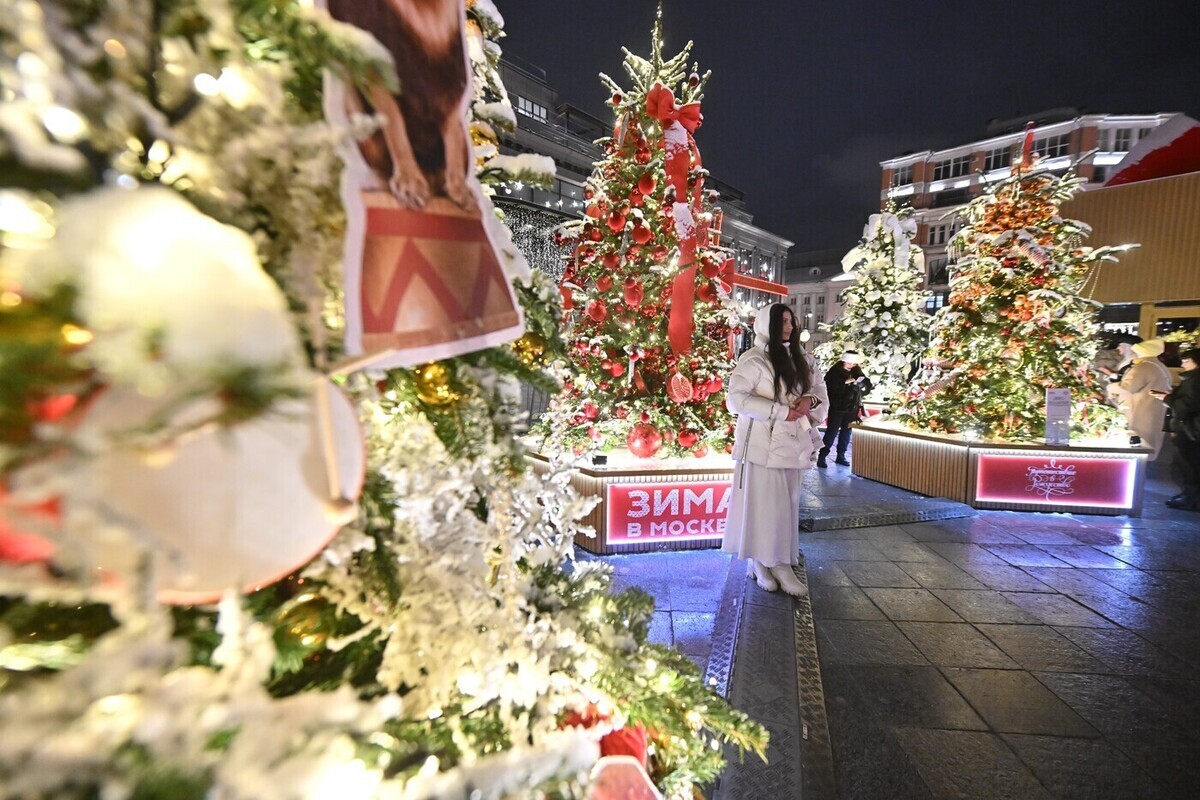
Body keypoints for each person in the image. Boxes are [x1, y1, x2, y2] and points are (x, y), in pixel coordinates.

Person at [722, 304, 828, 596]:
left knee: (787, 505)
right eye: (782, 321)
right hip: (761, 448)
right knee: (765, 505)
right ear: (767, 324)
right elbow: (736, 400)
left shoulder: (804, 359)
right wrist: (779, 411)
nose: (790, 326)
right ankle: (765, 561)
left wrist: (811, 401)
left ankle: (777, 561)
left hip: (793, 446)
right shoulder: (753, 359)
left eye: (791, 320)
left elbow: (819, 392)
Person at [1109, 339, 1172, 459]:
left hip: (1141, 408)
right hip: (1154, 407)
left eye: (1135, 352)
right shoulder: (1159, 365)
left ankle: (1137, 467)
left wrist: (1111, 387)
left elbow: (1128, 387)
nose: (1132, 355)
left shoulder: (1143, 367)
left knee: (1140, 438)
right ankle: (1147, 463)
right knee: (1153, 437)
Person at [1154, 348, 1199, 511]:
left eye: (1187, 361)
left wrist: (1166, 398)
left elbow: (1187, 405)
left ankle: (1191, 498)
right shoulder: (1191, 379)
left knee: (1188, 464)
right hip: (1189, 428)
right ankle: (1189, 496)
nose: (1182, 364)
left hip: (1189, 430)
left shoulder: (1194, 380)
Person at [817, 352, 873, 468]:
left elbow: (867, 384)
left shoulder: (857, 371)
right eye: (849, 362)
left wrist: (862, 385)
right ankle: (822, 456)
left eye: (853, 363)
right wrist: (845, 382)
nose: (851, 365)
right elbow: (829, 386)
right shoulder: (835, 371)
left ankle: (841, 455)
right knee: (831, 432)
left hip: (852, 407)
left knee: (846, 432)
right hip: (837, 407)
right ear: (843, 361)